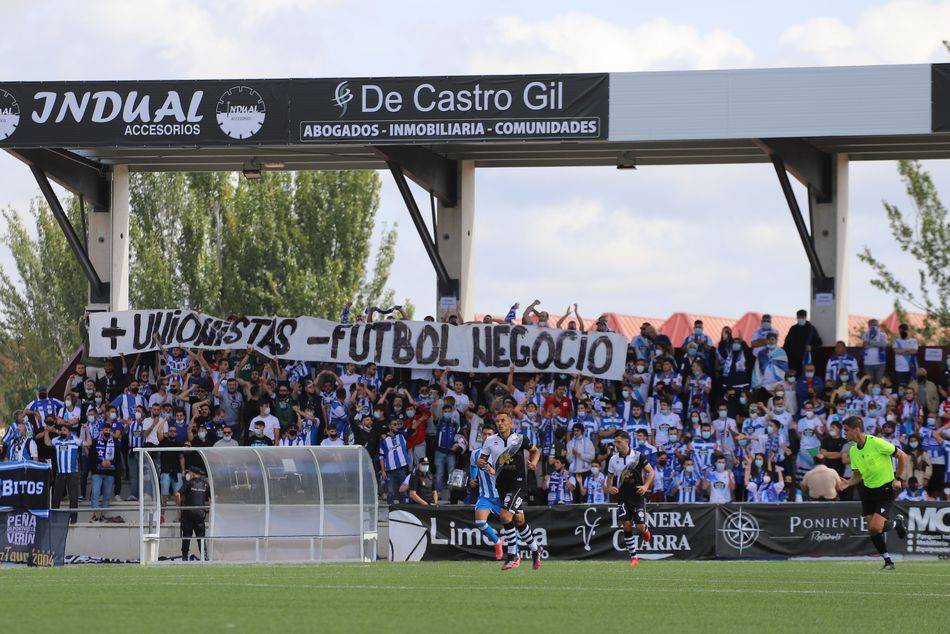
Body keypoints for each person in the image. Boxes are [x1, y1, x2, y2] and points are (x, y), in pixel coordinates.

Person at [836, 416, 909, 570]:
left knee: (875, 528)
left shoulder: (876, 442)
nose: (844, 433)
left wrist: (898, 478)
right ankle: (888, 561)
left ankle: (897, 522)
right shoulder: (853, 450)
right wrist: (848, 483)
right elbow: (858, 475)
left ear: (856, 430)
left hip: (885, 490)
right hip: (867, 491)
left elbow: (902, 455)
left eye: (846, 430)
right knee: (872, 530)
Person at [479, 412, 544, 570]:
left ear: (510, 423)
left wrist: (534, 463)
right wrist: (484, 464)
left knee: (505, 515)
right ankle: (536, 550)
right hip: (501, 485)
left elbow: (536, 451)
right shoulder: (490, 440)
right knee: (519, 520)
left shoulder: (520, 439)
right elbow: (482, 460)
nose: (500, 423)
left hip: (519, 484)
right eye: (498, 421)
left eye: (503, 420)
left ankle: (513, 555)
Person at [606, 431, 654, 567]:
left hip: (637, 496)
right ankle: (634, 557)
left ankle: (645, 530)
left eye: (619, 442)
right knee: (626, 525)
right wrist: (610, 488)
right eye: (615, 442)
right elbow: (609, 478)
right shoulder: (613, 459)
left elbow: (651, 472)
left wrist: (645, 486)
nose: (616, 445)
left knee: (639, 526)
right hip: (622, 497)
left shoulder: (638, 456)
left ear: (626, 441)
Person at [469, 434, 505, 560]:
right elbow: (473, 467)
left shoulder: (501, 453)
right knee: (479, 521)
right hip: (485, 495)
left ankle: (515, 554)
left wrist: (493, 471)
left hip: (501, 495)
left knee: (511, 524)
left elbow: (506, 471)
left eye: (490, 434)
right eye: (484, 434)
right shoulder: (475, 454)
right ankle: (497, 542)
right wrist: (473, 478)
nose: (487, 436)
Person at [44, 424, 85, 524]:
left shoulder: (74, 439)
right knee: (56, 497)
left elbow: (88, 443)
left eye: (64, 430)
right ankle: (54, 519)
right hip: (60, 473)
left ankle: (73, 519)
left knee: (73, 497)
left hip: (72, 473)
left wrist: (86, 431)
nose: (62, 431)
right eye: (61, 430)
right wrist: (46, 432)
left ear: (69, 432)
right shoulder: (57, 439)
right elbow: (47, 443)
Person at [176, 465, 210, 561]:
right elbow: (211, 498)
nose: (188, 474)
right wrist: (208, 510)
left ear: (192, 473)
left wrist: (179, 508)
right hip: (200, 513)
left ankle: (184, 556)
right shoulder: (205, 484)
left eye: (189, 472)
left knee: (187, 535)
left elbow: (177, 494)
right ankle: (204, 556)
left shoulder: (188, 483)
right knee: (201, 536)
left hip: (188, 512)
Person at [782, 309, 822, 375]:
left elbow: (819, 342)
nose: (800, 319)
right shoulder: (793, 329)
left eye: (802, 317)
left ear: (805, 318)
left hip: (806, 359)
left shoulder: (811, 329)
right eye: (799, 317)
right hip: (793, 360)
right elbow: (787, 343)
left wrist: (811, 347)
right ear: (797, 318)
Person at [861, 319, 888, 383]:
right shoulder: (865, 335)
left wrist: (870, 342)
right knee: (869, 383)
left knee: (879, 382)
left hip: (880, 363)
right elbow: (865, 345)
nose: (873, 326)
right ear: (868, 326)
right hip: (868, 363)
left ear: (878, 326)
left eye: (875, 325)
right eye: (871, 325)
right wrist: (877, 343)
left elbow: (884, 344)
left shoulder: (883, 335)